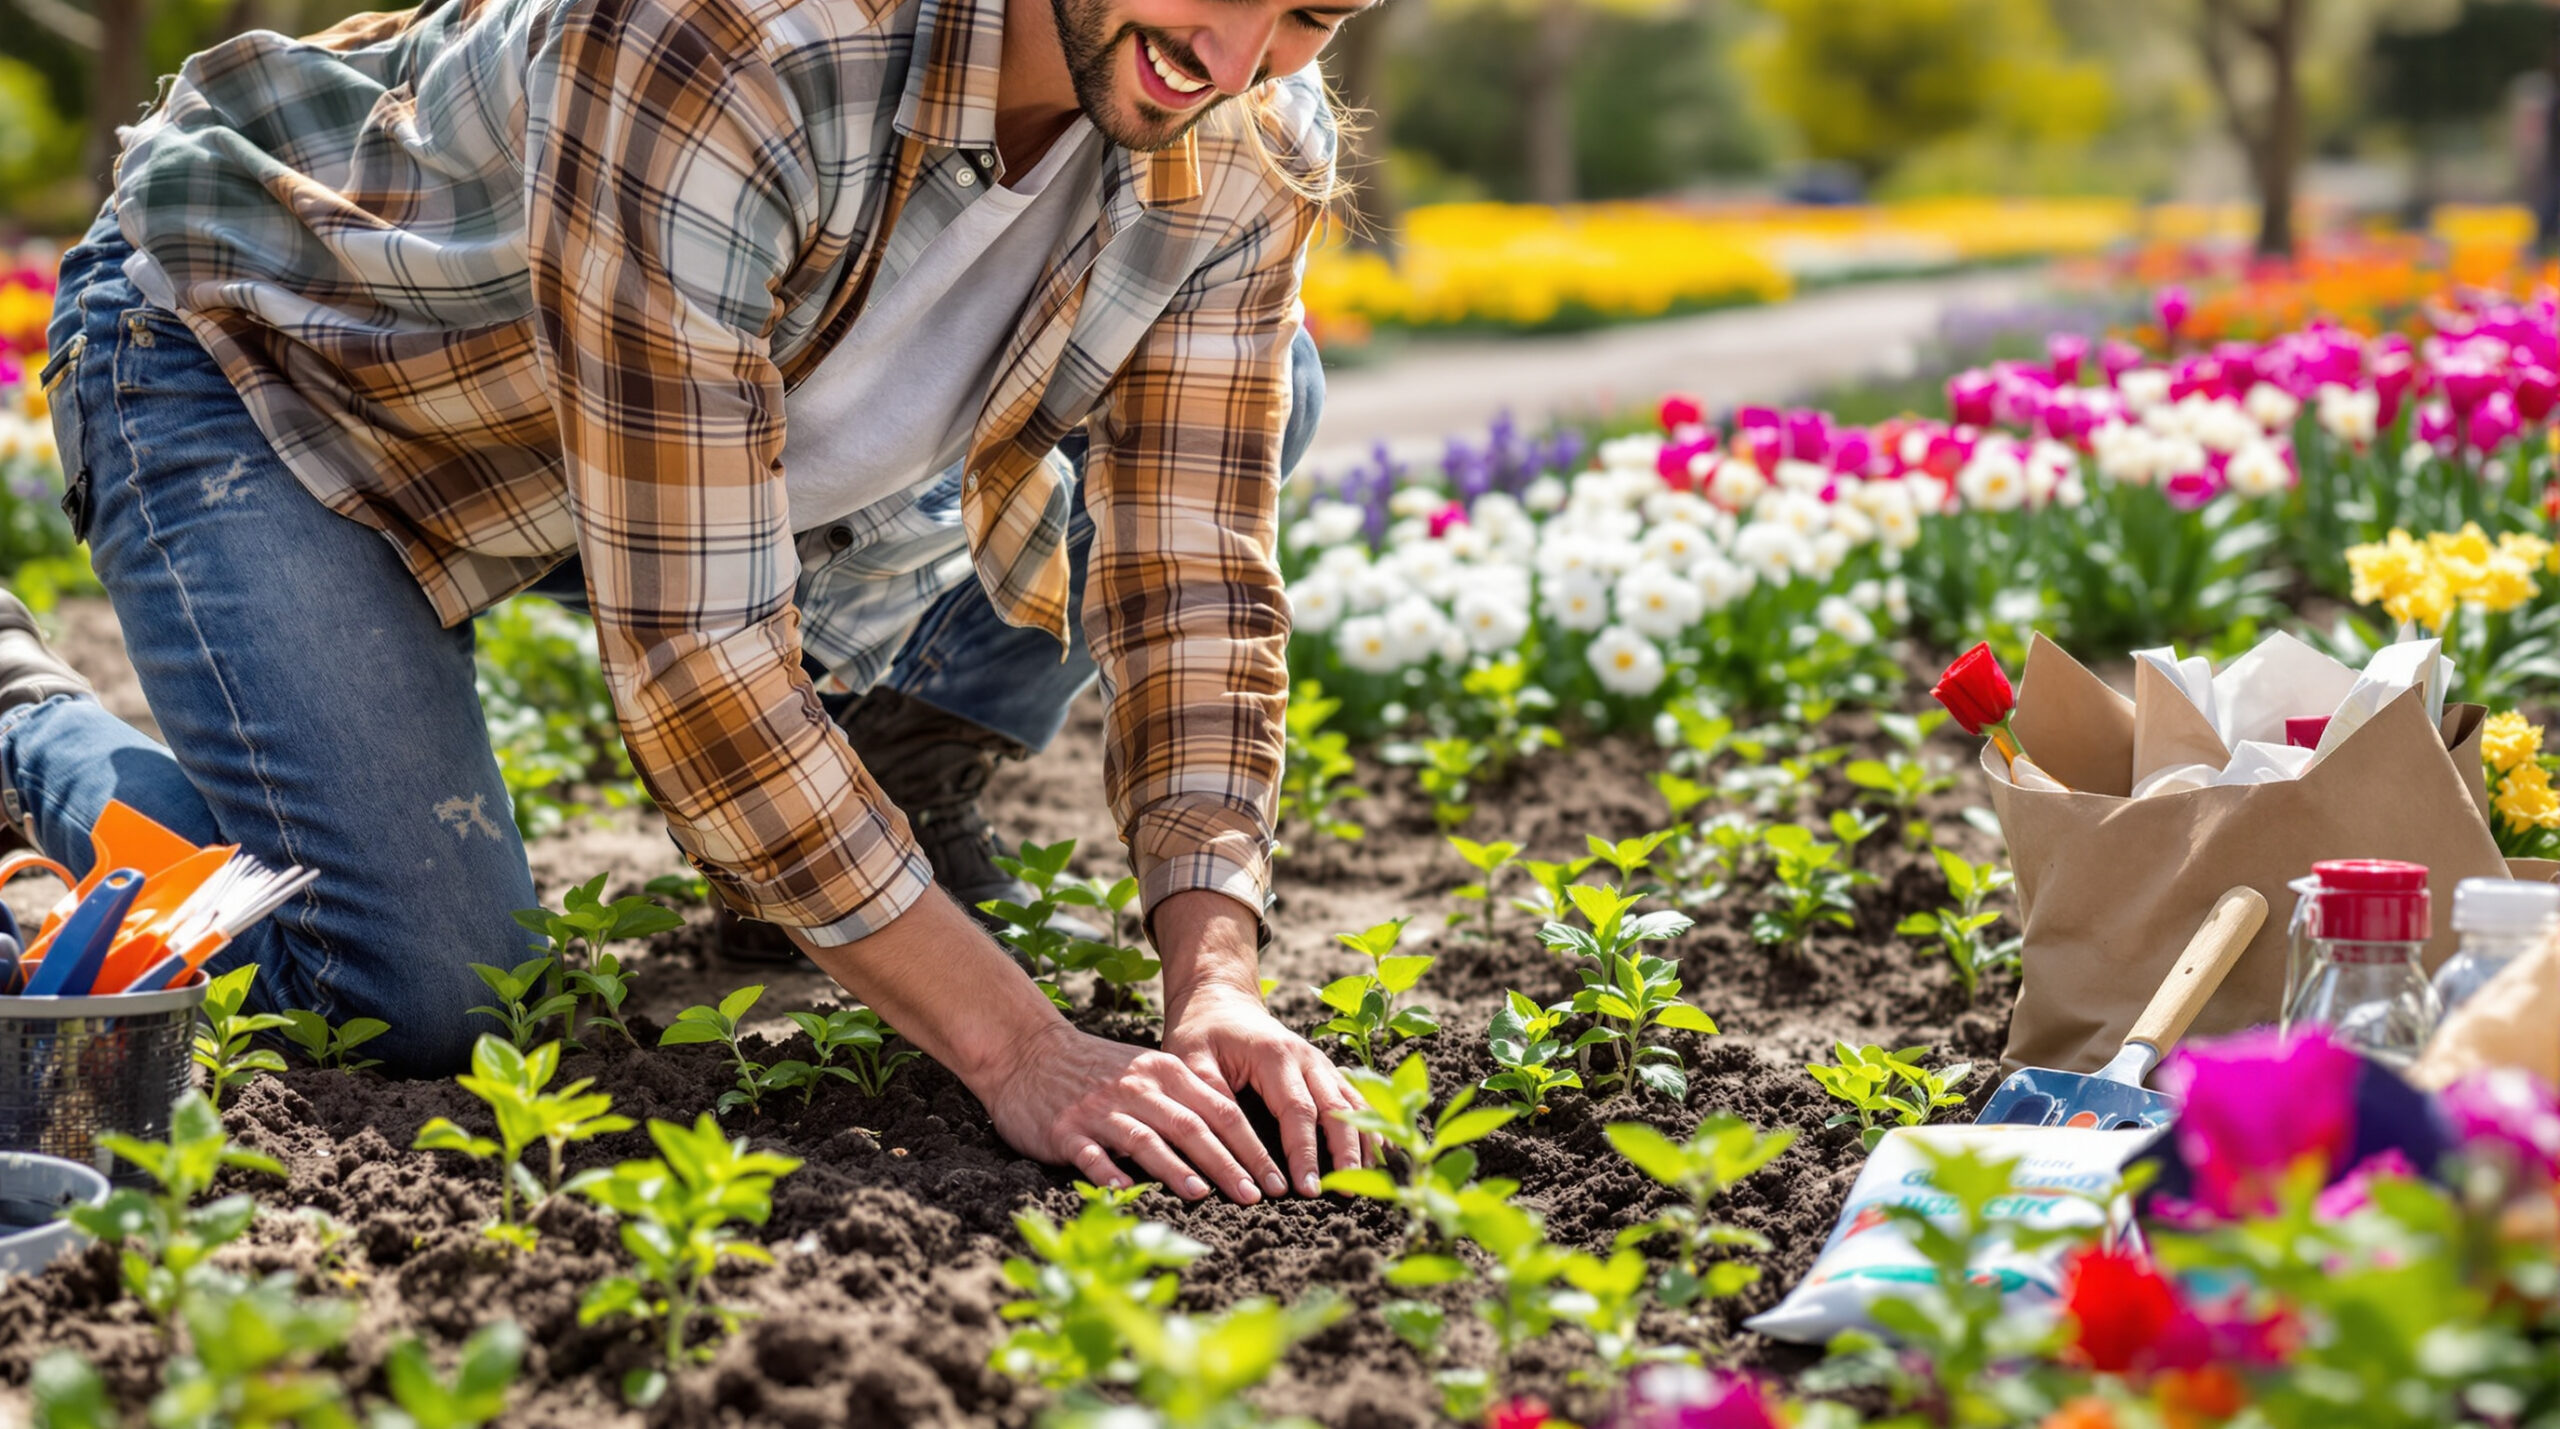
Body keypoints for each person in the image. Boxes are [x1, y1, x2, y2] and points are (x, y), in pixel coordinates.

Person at [17, 0, 1377, 1204]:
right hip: (285, 375)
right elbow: (698, 659)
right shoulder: (727, 36)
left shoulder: (1252, 130)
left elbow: (1187, 567)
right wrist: (1019, 1045)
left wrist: (1214, 978)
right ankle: (25, 717)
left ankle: (888, 789)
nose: (1240, 56)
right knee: (413, 997)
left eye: (1311, 13)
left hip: (669, 453)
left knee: (1275, 401)